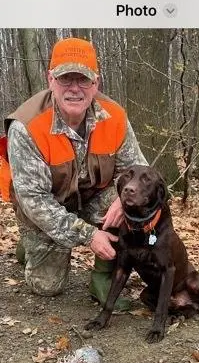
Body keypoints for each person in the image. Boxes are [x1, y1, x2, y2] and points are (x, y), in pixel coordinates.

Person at [4, 37, 148, 308]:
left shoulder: (114, 116)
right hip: (47, 209)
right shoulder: (26, 127)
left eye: (83, 80)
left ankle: (103, 278)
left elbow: (139, 172)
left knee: (132, 204)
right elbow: (35, 201)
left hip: (92, 198)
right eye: (65, 79)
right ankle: (31, 245)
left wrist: (121, 201)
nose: (74, 89)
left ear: (96, 83)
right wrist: (89, 235)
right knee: (47, 287)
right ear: (50, 80)